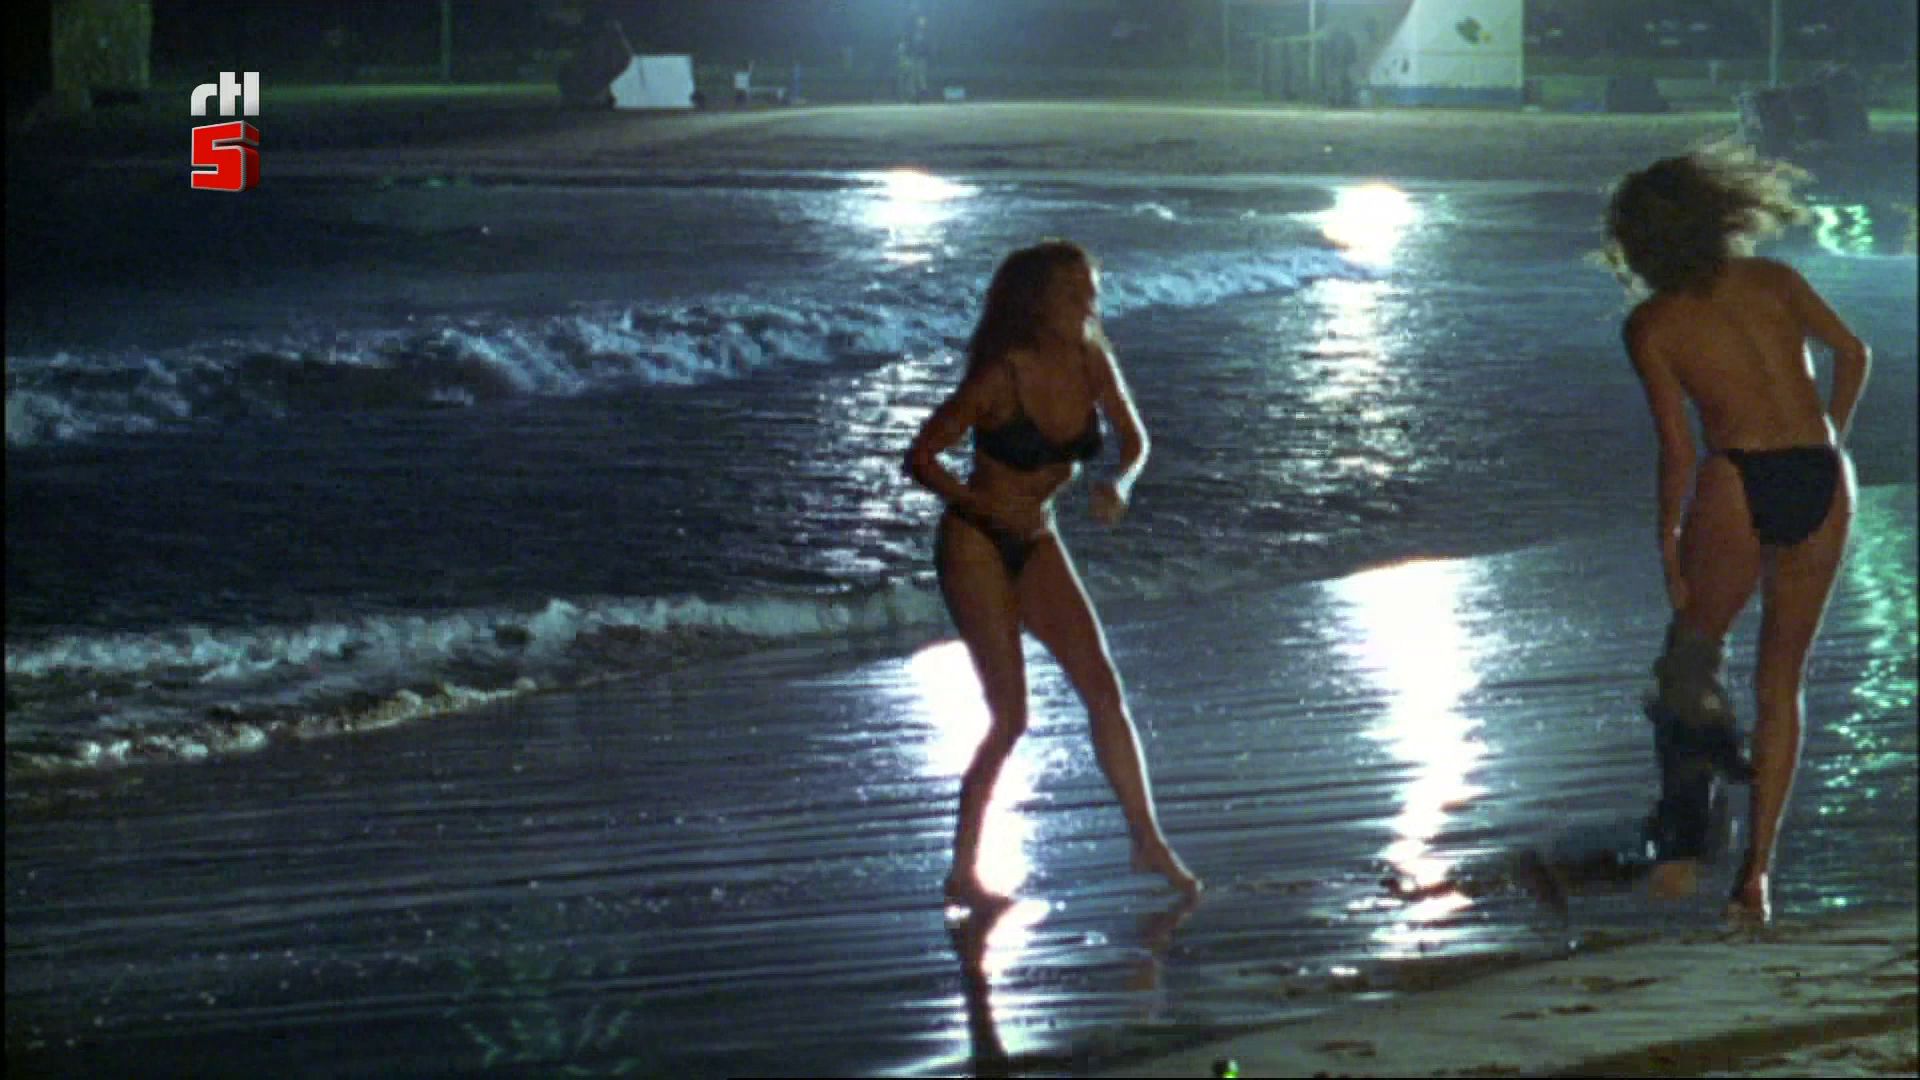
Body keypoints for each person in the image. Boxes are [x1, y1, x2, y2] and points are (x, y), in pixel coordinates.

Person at [1603, 145, 1871, 924]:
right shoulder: (1775, 280)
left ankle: (1684, 847)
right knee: (1781, 682)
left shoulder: (1652, 324)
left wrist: (1668, 535)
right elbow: (1852, 353)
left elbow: (1677, 450)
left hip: (1737, 480)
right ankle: (1756, 878)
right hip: (1823, 476)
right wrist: (1831, 435)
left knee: (1689, 660)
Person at [904, 240, 1202, 908]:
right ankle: (963, 872)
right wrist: (978, 504)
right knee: (1010, 717)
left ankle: (1146, 839)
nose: (1087, 302)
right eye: (1072, 292)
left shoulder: (1091, 357)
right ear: (1037, 302)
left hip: (1039, 537)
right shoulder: (1000, 375)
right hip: (976, 545)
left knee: (1103, 688)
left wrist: (1119, 482)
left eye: (1089, 289)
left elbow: (1134, 439)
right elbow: (921, 455)